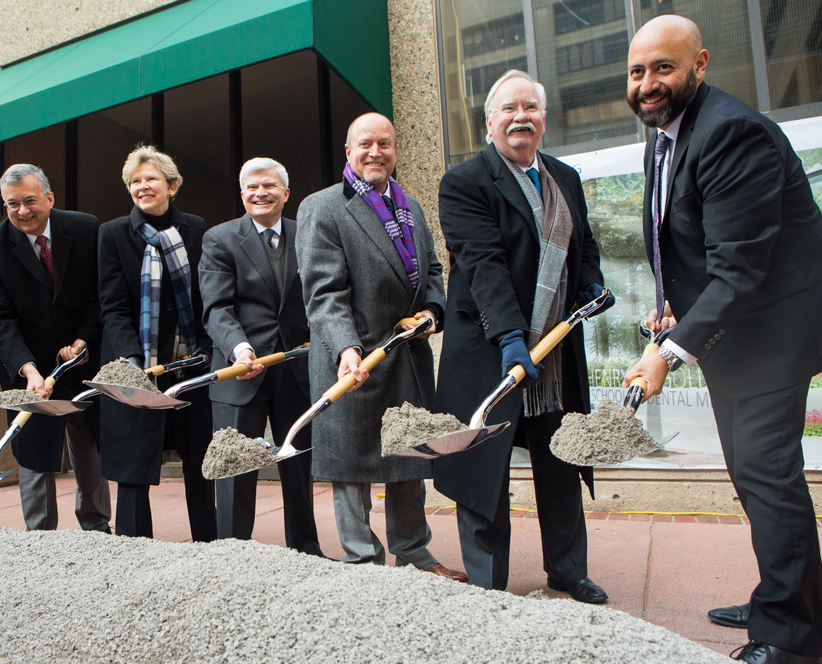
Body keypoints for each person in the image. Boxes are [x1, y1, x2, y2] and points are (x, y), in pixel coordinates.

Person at [622, 15, 822, 663]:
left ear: (699, 63)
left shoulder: (731, 132)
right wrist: (673, 309)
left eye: (662, 68)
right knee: (754, 475)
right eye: (635, 71)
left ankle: (789, 638)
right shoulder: (668, 136)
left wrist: (668, 352)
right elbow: (687, 243)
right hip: (736, 337)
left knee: (767, 474)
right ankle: (786, 596)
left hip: (771, 337)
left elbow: (740, 266)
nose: (647, 83)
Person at [430, 70, 610, 603]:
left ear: (544, 119)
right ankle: (489, 581)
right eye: (509, 108)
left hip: (553, 351)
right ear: (489, 121)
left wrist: (591, 284)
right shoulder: (463, 182)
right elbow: (481, 263)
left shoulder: (564, 177)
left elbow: (585, 243)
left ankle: (568, 569)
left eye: (530, 107)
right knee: (482, 466)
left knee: (561, 458)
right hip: (491, 349)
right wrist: (510, 335)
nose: (520, 117)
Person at [295, 112, 465, 581]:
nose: (376, 152)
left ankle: (414, 553)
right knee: (351, 465)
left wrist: (432, 312)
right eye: (365, 144)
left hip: (406, 354)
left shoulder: (409, 206)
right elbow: (323, 292)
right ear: (348, 152)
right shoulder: (323, 207)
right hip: (351, 356)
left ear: (395, 151)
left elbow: (432, 269)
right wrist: (346, 348)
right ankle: (362, 561)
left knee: (409, 456)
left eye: (385, 144)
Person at [0, 164, 111, 533]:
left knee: (89, 448)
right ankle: (39, 538)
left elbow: (103, 294)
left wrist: (84, 338)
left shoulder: (85, 229)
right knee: (34, 451)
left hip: (82, 363)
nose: (22, 211)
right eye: (11, 204)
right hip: (27, 367)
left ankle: (97, 530)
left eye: (30, 200)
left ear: (49, 198)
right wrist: (28, 369)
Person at [199, 157, 322, 555]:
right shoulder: (220, 238)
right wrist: (239, 348)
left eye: (269, 186)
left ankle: (306, 551)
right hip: (241, 371)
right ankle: (233, 556)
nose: (260, 193)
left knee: (299, 468)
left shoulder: (308, 234)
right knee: (235, 471)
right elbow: (217, 308)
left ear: (286, 193)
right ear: (241, 195)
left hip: (296, 371)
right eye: (251, 187)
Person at [97, 145, 216, 540]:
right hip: (135, 367)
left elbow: (205, 295)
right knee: (133, 465)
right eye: (134, 181)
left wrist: (205, 349)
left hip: (190, 363)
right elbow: (113, 306)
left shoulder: (197, 228)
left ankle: (208, 544)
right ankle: (134, 550)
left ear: (172, 185)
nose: (142, 186)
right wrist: (131, 362)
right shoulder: (113, 233)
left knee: (200, 460)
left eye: (150, 179)